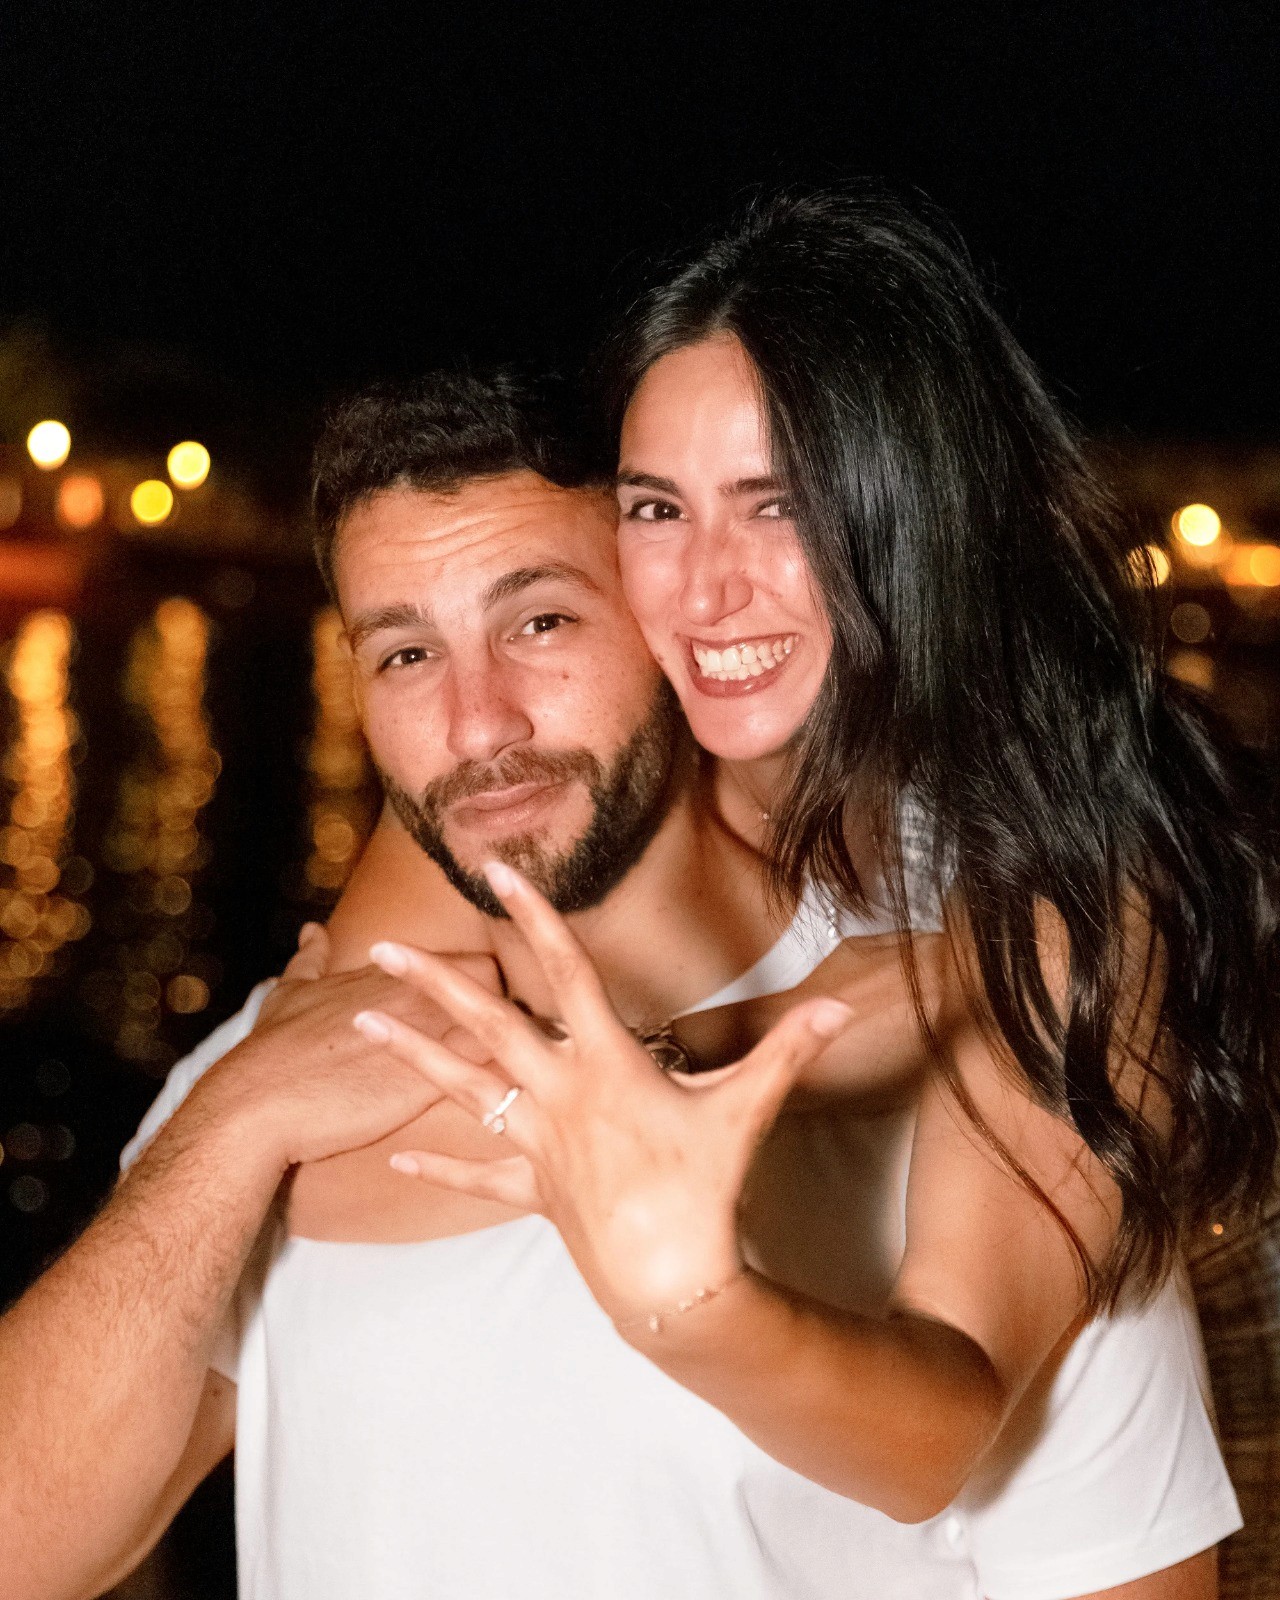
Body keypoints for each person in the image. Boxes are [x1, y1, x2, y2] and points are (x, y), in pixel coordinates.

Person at [0, 371, 1238, 1600]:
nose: (476, 724)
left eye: (539, 623)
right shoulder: (308, 1063)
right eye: (405, 650)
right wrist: (234, 1121)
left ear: (667, 620)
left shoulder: (993, 1044)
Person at [352, 201, 1278, 1582]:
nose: (708, 590)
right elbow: (347, 1021)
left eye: (780, 505)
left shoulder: (1070, 875)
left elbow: (932, 1433)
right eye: (659, 509)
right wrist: (762, 1034)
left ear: (910, 510)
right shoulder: (616, 743)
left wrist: (689, 1296)